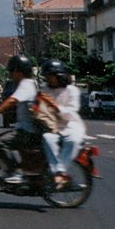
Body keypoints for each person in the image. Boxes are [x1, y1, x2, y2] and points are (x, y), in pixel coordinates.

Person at [0, 54, 40, 184]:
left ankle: (15, 173)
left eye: (12, 71)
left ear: (19, 71)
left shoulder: (25, 84)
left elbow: (12, 100)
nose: (10, 75)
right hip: (27, 129)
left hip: (27, 132)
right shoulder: (31, 83)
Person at [38, 59, 86, 189]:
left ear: (58, 76)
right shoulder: (45, 89)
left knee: (73, 140)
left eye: (50, 76)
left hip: (71, 124)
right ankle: (55, 172)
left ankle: (60, 172)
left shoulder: (72, 91)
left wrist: (54, 105)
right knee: (47, 139)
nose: (48, 79)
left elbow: (71, 113)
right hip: (53, 125)